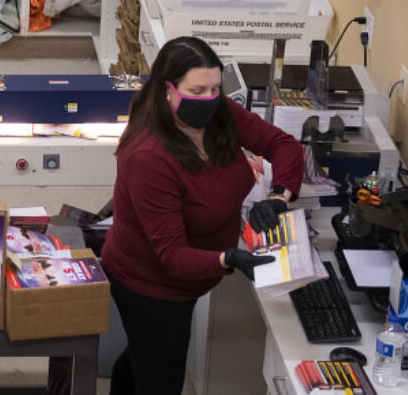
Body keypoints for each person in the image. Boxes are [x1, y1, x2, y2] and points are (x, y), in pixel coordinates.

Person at [100, 36, 304, 395]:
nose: (209, 99)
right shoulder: (148, 157)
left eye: (214, 88)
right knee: (160, 375)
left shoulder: (219, 112)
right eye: (197, 90)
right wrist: (230, 258)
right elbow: (172, 256)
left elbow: (283, 145)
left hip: (191, 278)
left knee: (144, 358)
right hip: (151, 286)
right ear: (167, 90)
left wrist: (278, 197)